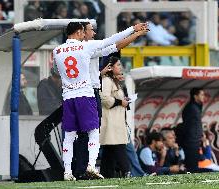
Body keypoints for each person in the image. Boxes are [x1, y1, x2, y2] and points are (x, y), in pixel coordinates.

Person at [53, 22, 149, 181]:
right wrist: (133, 29)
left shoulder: (57, 51)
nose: (88, 34)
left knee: (69, 136)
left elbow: (112, 47)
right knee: (93, 131)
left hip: (68, 97)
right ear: (79, 32)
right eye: (87, 31)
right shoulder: (86, 47)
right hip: (86, 94)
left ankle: (68, 172)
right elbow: (111, 41)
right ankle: (90, 166)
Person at [99, 57, 131, 178]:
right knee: (119, 146)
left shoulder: (115, 81)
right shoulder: (106, 80)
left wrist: (125, 98)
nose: (120, 67)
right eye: (118, 65)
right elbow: (105, 99)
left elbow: (123, 98)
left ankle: (105, 175)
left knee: (109, 150)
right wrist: (119, 102)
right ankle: (126, 171)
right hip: (111, 121)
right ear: (110, 67)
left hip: (117, 120)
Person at [182, 87, 205, 173]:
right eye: (202, 95)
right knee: (191, 165)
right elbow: (189, 125)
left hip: (195, 139)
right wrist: (195, 137)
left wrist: (201, 135)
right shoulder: (191, 108)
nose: (204, 97)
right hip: (191, 140)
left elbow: (197, 124)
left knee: (194, 163)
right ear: (195, 96)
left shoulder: (196, 107)